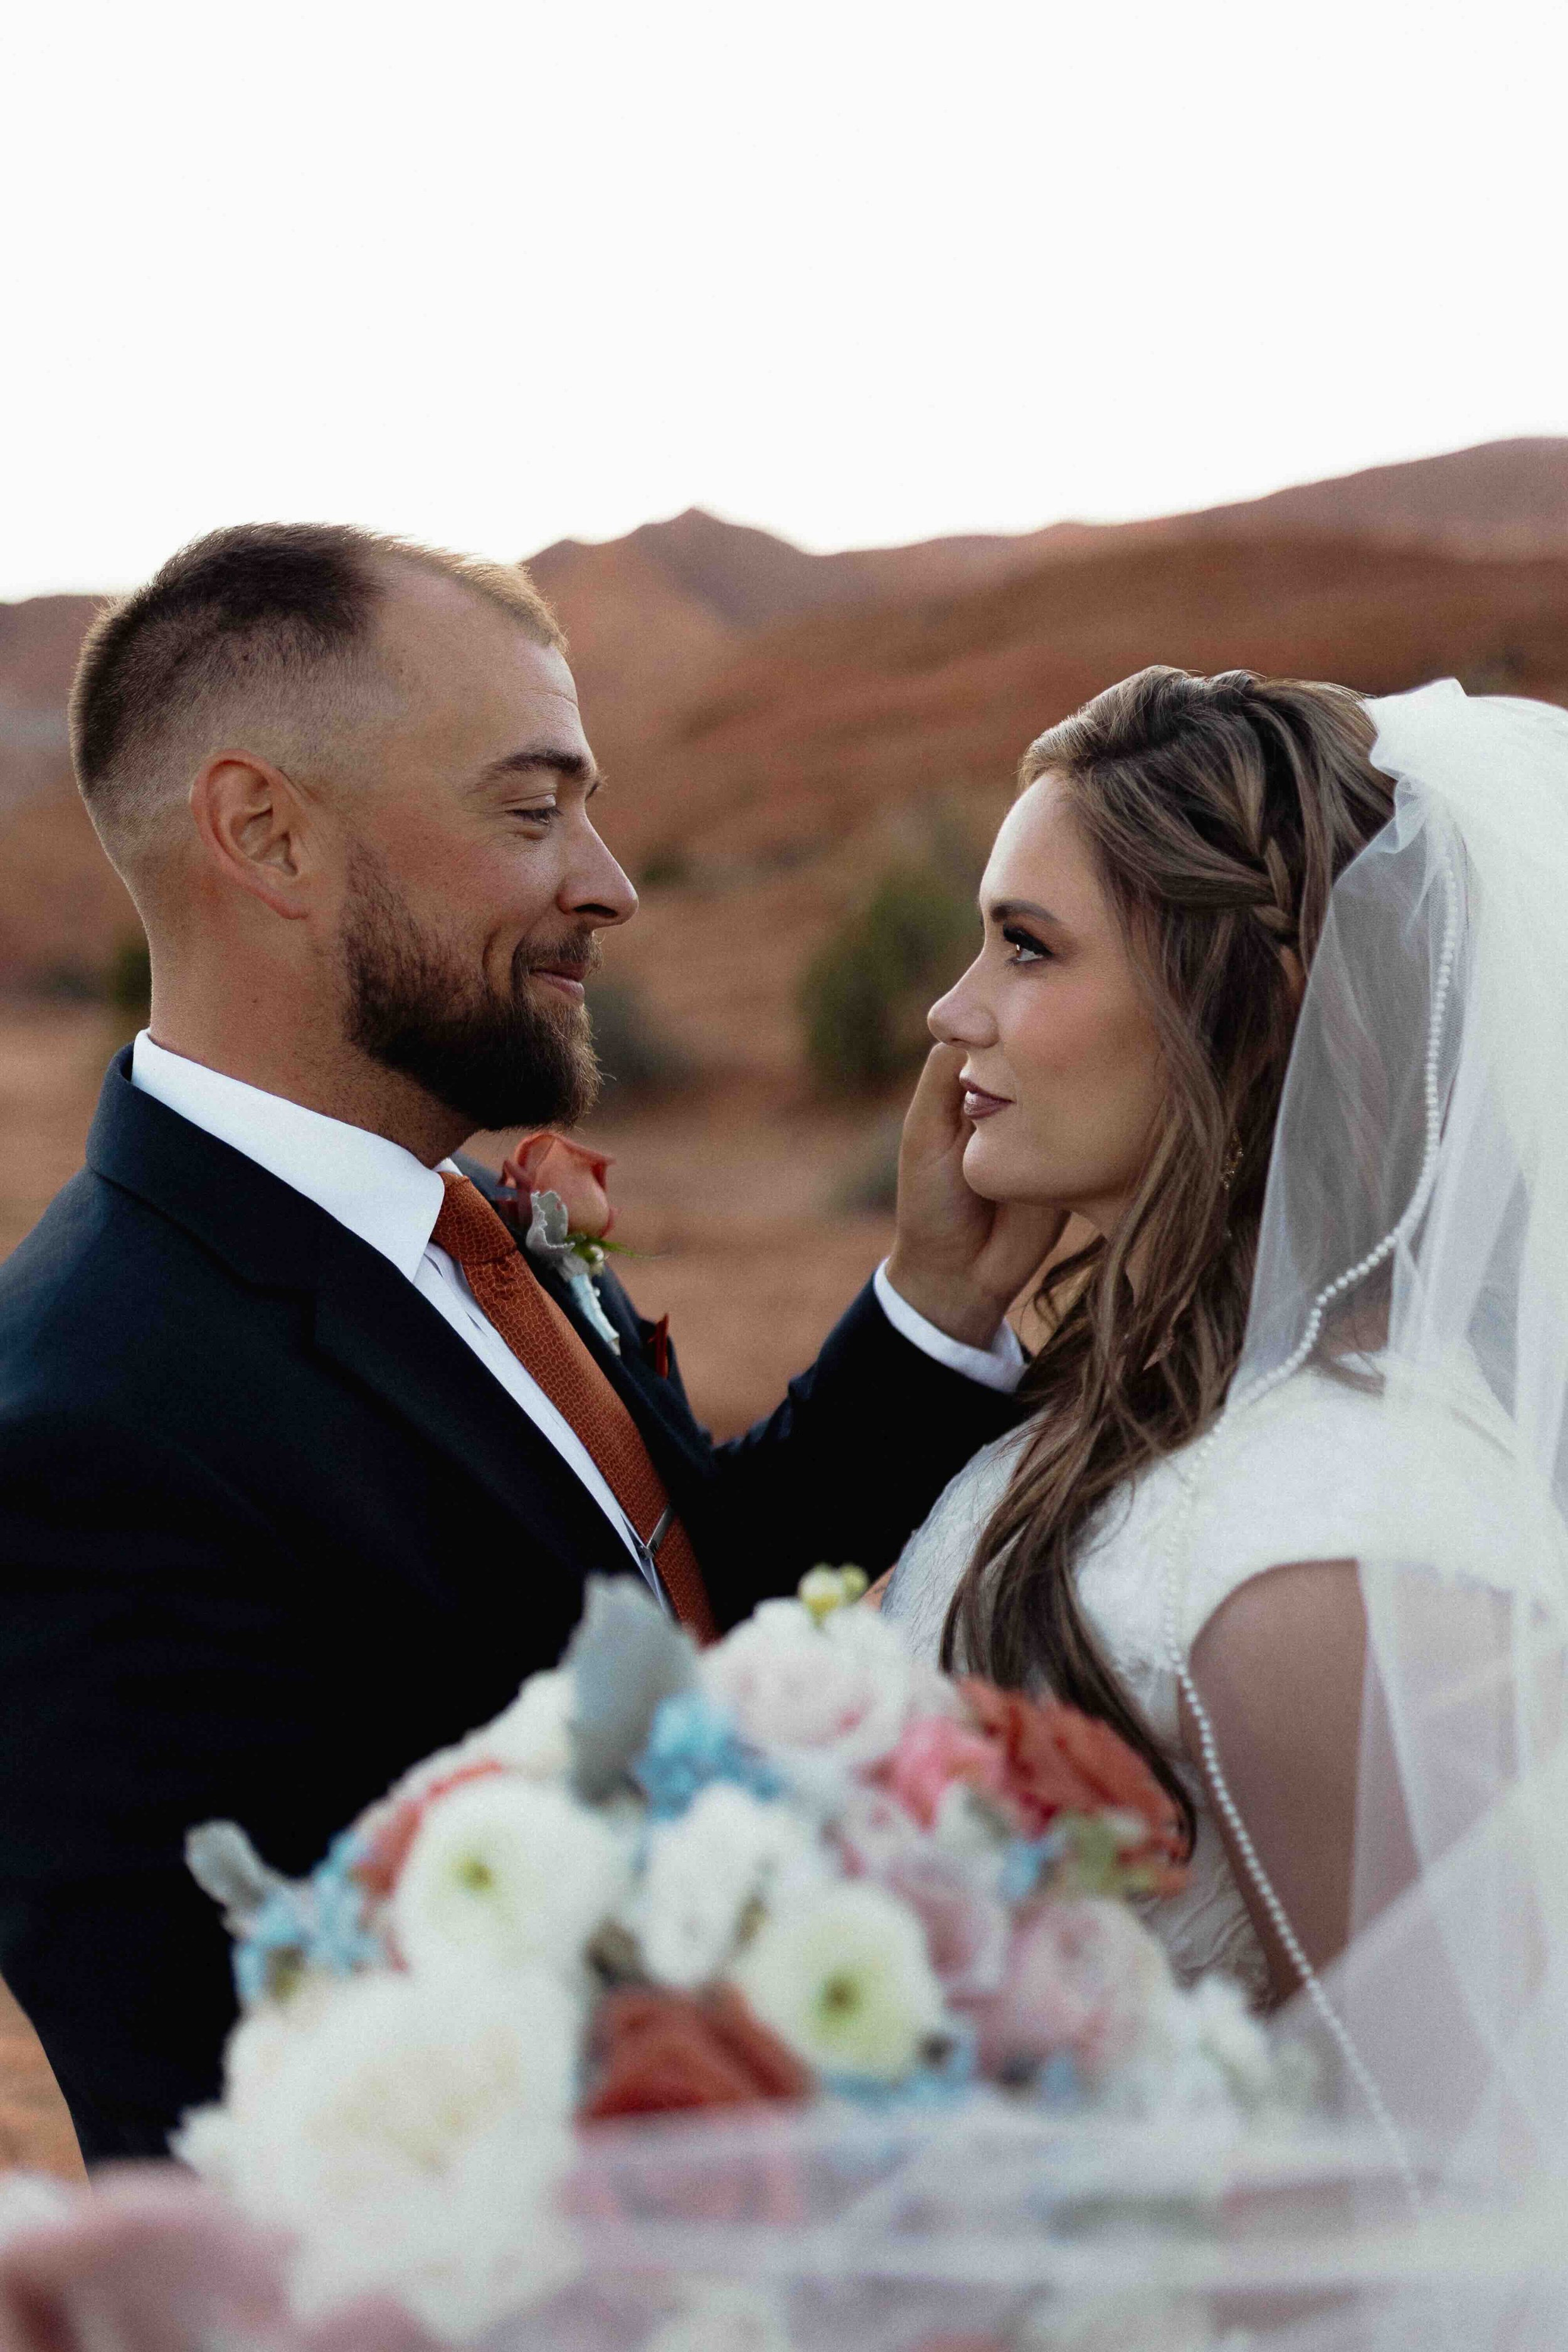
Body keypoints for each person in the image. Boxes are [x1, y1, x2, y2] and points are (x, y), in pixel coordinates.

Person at [0, 523, 1056, 2168]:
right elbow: (253, 2133)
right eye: (530, 803)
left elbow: (680, 1603)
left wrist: (933, 1305)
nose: (608, 879)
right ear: (266, 832)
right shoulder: (76, 1434)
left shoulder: (469, 1227)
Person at [884, 663, 1568, 2201]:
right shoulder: (1123, 1426)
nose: (951, 1011)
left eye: (1025, 948)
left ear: (1243, 1015)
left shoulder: (1316, 1558)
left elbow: (1474, 2193)